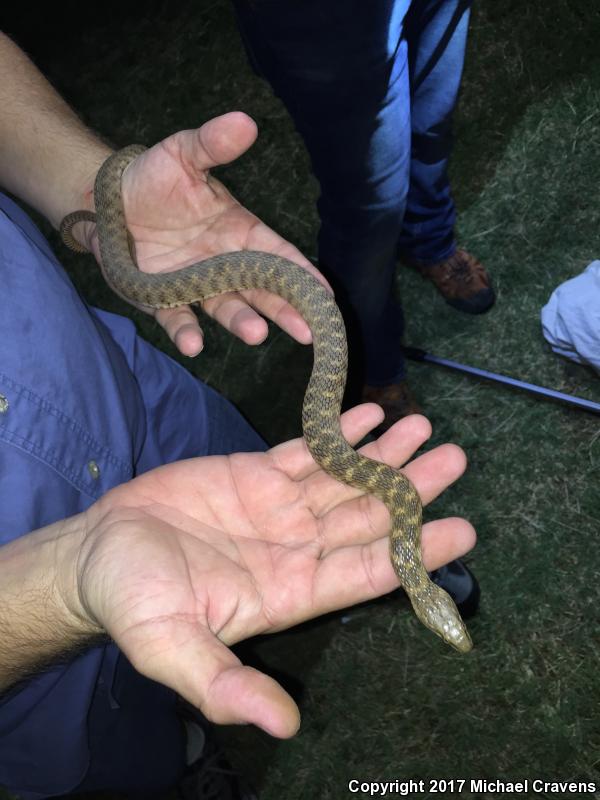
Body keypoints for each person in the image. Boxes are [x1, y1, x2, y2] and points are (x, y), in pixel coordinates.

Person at [0, 30, 476, 799]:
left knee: (270, 486)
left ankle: (376, 569)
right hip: (22, 666)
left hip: (110, 380)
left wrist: (91, 192)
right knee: (104, 749)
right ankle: (183, 761)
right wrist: (59, 590)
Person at [232, 0, 495, 427]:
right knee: (367, 208)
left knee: (431, 126)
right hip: (330, 22)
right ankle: (374, 367)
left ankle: (428, 240)